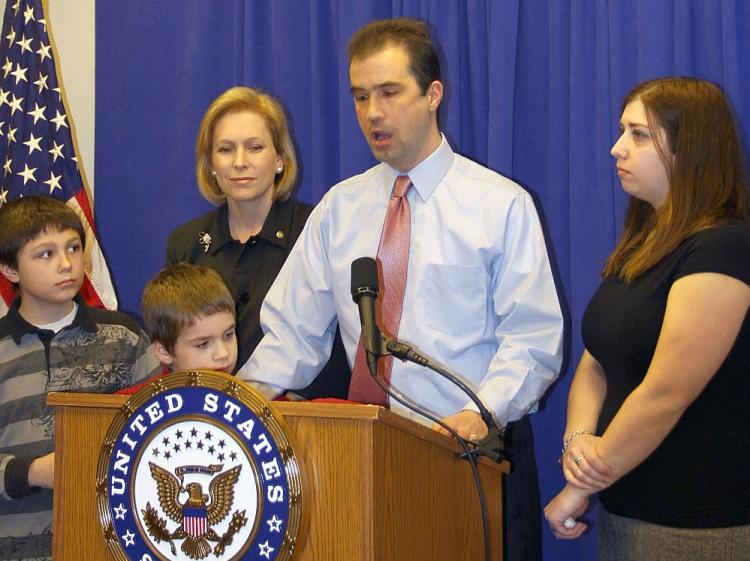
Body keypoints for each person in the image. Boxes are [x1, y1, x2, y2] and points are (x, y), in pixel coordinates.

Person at [239, 18, 563, 561]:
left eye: (389, 93)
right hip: (362, 457)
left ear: (433, 94)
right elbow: (291, 338)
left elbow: (532, 340)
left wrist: (483, 412)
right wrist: (237, 402)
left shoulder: (499, 205)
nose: (372, 113)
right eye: (361, 96)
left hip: (469, 456)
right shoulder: (339, 209)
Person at [544, 77, 750, 560]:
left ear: (689, 149)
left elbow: (665, 394)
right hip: (628, 509)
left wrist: (580, 487)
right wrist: (579, 441)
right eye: (622, 131)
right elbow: (596, 360)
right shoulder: (645, 243)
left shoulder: (723, 247)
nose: (617, 149)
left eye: (638, 135)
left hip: (698, 525)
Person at [0, 195, 160, 560]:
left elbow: (158, 432)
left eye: (73, 247)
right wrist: (32, 472)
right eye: (45, 254)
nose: (66, 263)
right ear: (10, 269)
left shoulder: (125, 337)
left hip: (105, 543)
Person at [165, 86, 350, 399]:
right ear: (210, 163)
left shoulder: (317, 230)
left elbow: (340, 344)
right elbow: (175, 344)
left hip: (304, 422)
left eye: (254, 147)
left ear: (279, 159)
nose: (240, 162)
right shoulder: (185, 244)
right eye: (225, 149)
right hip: (211, 422)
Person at [141, 262, 238, 374]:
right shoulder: (144, 392)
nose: (223, 353)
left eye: (228, 335)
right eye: (203, 344)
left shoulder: (249, 391)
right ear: (164, 352)